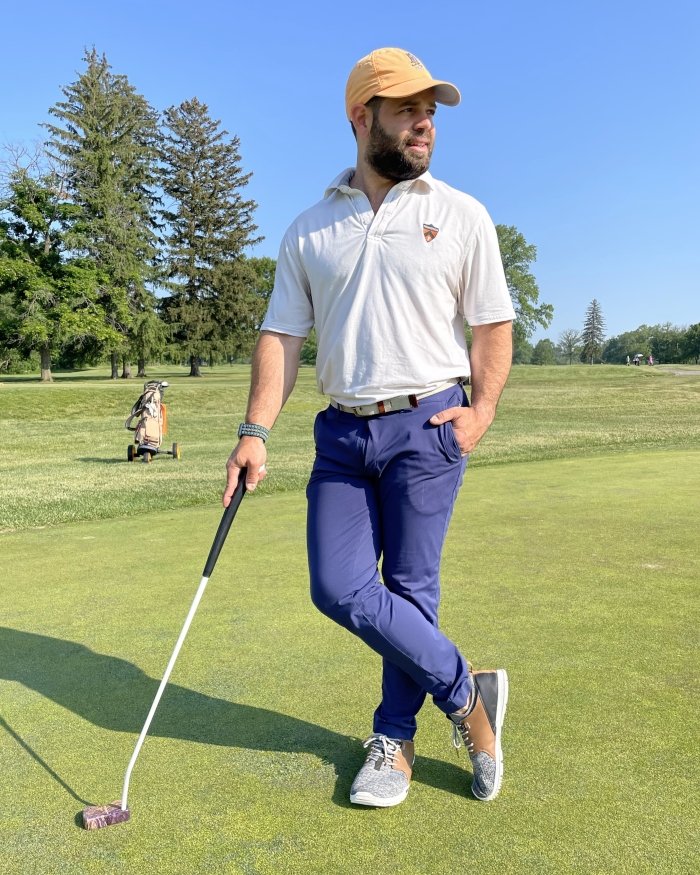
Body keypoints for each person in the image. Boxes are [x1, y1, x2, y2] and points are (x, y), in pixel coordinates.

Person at [223, 47, 516, 807]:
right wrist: (255, 430)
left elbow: (492, 324)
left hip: (428, 424)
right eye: (407, 108)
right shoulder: (311, 229)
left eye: (432, 110)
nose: (426, 122)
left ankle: (393, 740)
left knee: (411, 590)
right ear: (362, 117)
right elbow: (282, 337)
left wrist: (480, 412)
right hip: (343, 436)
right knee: (337, 584)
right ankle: (466, 693)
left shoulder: (460, 215)